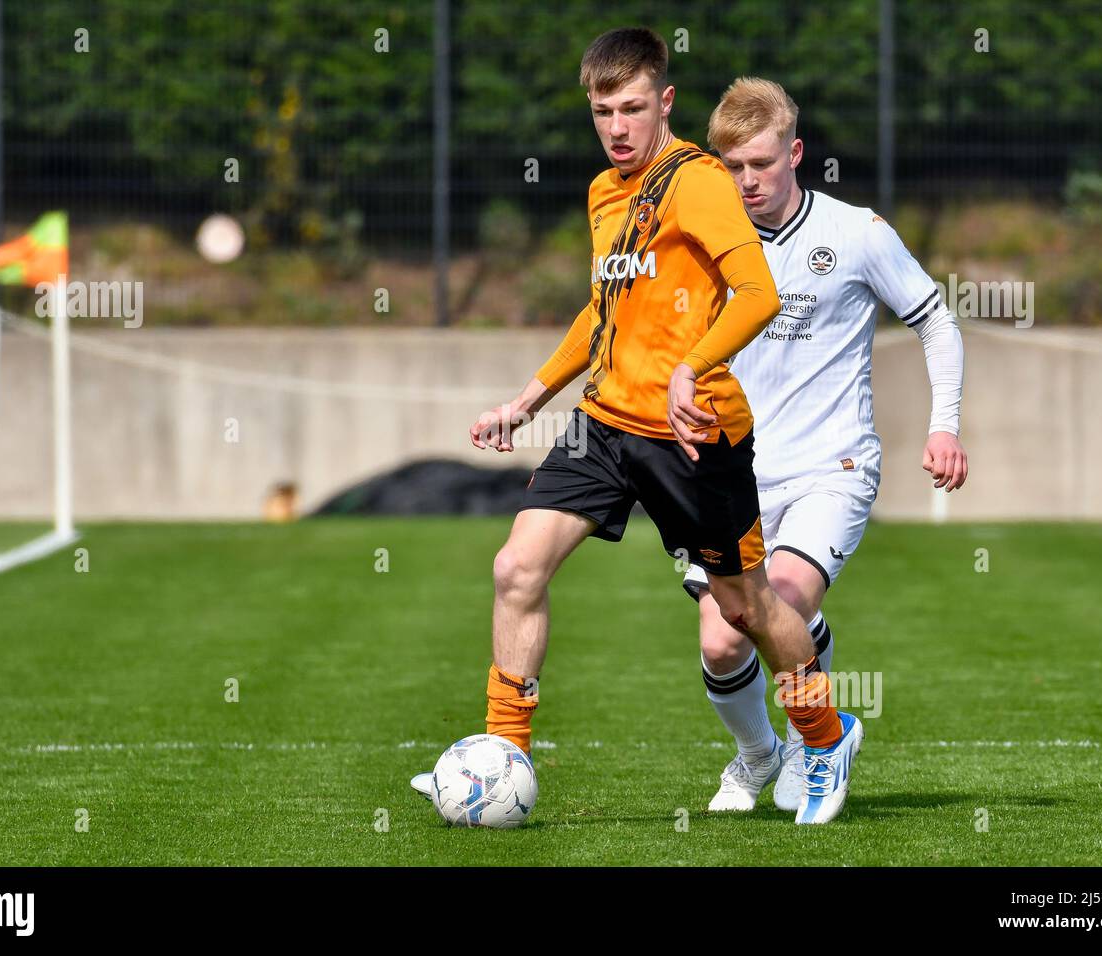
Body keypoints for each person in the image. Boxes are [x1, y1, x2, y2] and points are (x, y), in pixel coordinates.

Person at [412, 31, 862, 826]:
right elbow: (602, 310)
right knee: (516, 567)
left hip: (693, 437)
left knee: (747, 609)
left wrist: (693, 367)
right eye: (600, 111)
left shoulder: (699, 183)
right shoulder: (603, 194)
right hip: (603, 425)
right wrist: (529, 398)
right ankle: (500, 754)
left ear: (665, 101)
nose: (617, 126)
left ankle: (825, 740)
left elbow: (754, 293)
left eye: (630, 108)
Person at [690, 77, 967, 814]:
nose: (748, 180)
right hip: (729, 471)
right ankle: (758, 755)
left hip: (831, 466)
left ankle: (820, 743)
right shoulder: (706, 241)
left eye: (762, 163)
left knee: (777, 598)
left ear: (795, 152)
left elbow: (936, 323)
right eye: (733, 166)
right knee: (722, 642)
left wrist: (946, 424)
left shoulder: (857, 234)